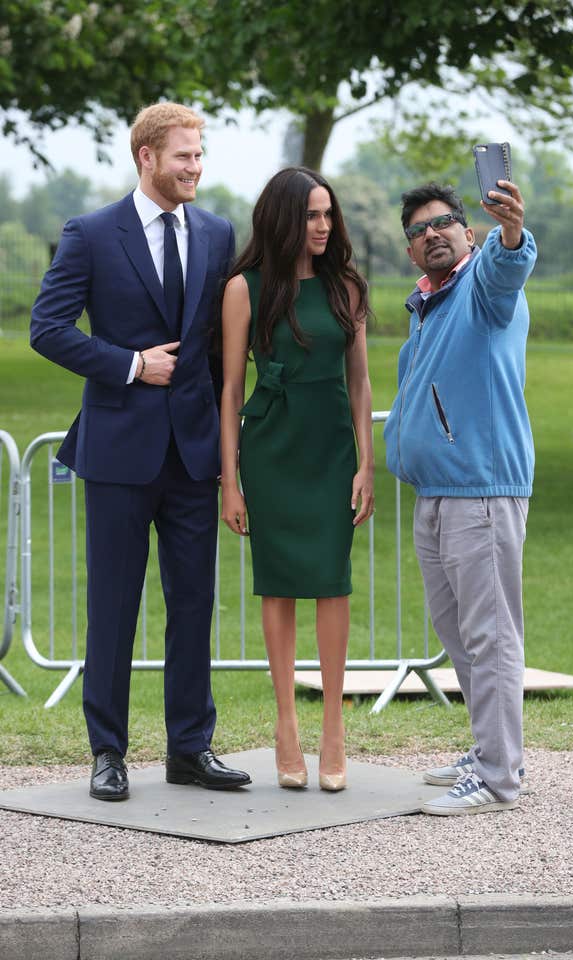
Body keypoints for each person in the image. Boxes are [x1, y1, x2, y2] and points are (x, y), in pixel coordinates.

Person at [31, 102, 250, 801]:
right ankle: (108, 753)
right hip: (119, 454)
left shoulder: (217, 234)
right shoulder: (92, 234)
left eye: (200, 155)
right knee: (114, 606)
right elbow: (47, 328)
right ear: (146, 157)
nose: (196, 167)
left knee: (193, 605)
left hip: (192, 455)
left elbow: (224, 341)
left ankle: (191, 748)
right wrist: (130, 365)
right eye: (184, 155)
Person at [383, 178, 536, 816]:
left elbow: (508, 267)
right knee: (457, 631)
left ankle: (500, 780)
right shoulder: (427, 305)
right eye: (419, 231)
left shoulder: (481, 286)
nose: (433, 234)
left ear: (467, 231)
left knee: (490, 633)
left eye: (444, 222)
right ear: (412, 250)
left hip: (481, 488)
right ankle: (488, 749)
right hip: (438, 493)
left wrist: (511, 231)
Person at [220, 167, 374, 792]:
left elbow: (361, 382)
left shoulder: (347, 287)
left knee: (332, 583)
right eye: (312, 215)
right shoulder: (244, 288)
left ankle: (333, 728)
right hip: (272, 446)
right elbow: (230, 389)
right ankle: (286, 724)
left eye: (328, 214)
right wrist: (229, 480)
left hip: (332, 446)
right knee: (278, 584)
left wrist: (368, 461)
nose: (323, 225)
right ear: (284, 218)